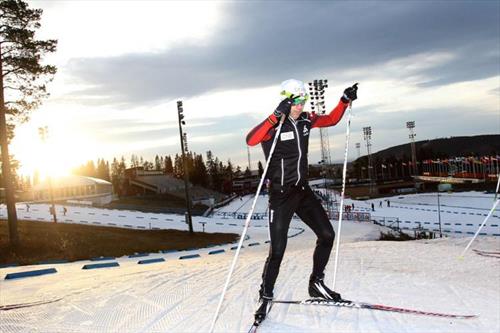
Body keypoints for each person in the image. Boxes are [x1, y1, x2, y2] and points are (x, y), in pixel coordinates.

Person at [246, 79, 358, 322]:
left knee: (327, 235)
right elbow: (251, 140)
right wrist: (276, 115)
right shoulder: (274, 125)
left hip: (302, 191)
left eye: (302, 100)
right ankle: (266, 295)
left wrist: (344, 100)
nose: (299, 106)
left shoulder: (306, 119)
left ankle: (316, 283)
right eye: (295, 101)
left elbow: (330, 119)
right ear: (286, 99)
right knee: (277, 250)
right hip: (281, 195)